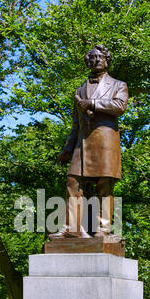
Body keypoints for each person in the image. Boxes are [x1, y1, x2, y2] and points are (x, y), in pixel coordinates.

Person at [50, 44, 128, 239]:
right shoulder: (79, 90)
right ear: (88, 61)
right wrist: (67, 149)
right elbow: (75, 124)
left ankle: (103, 230)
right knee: (73, 181)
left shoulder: (119, 85)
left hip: (105, 142)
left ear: (107, 60)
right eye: (92, 57)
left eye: (100, 57)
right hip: (82, 144)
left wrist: (92, 103)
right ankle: (72, 228)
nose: (96, 60)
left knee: (104, 185)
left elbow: (119, 106)